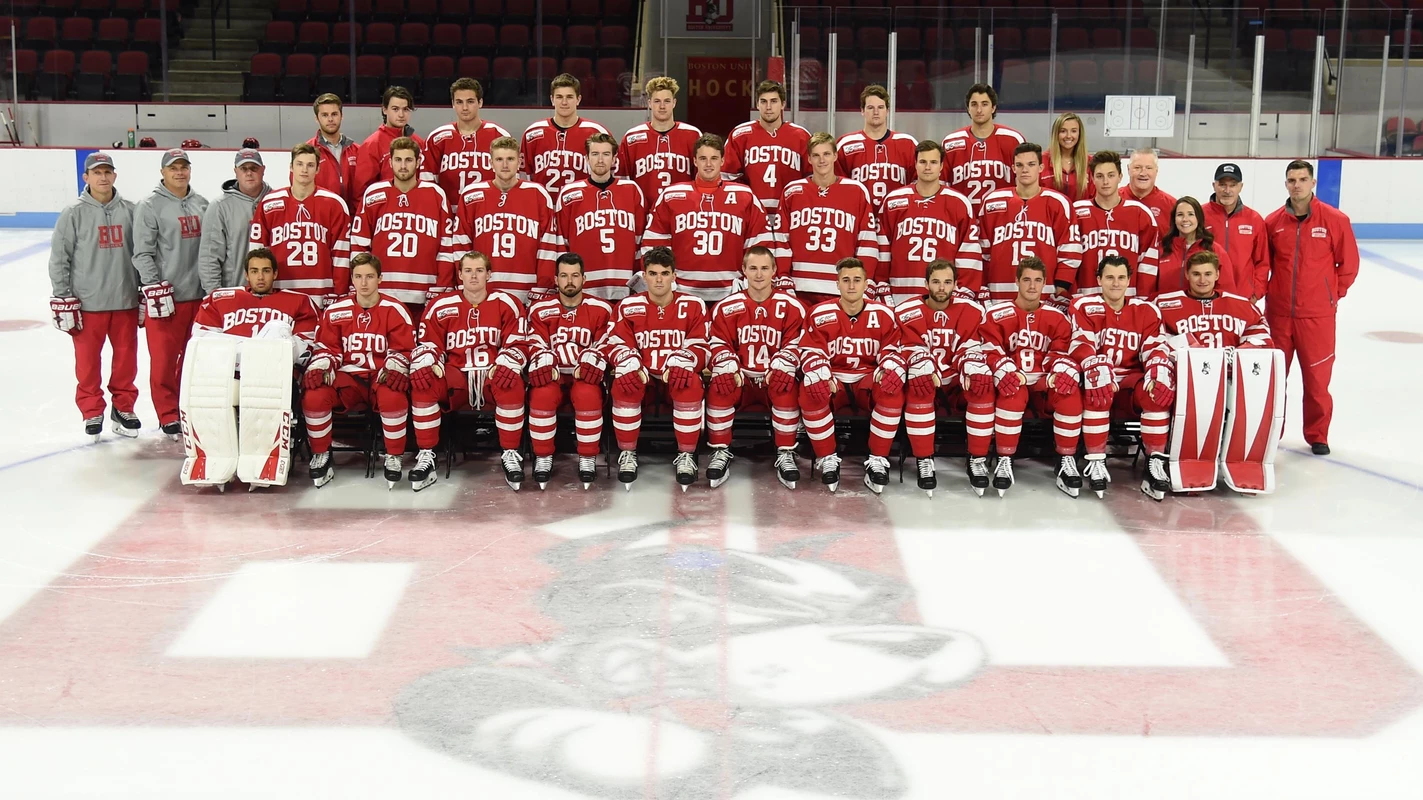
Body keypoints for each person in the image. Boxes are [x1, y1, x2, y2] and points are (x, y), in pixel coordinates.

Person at [182, 248, 319, 489]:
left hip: (271, 374)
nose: (260, 277)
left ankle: (263, 458)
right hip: (229, 372)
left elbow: (303, 350)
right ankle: (214, 458)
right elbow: (202, 343)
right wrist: (246, 349)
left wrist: (253, 349)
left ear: (275, 273)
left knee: (277, 329)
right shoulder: (220, 299)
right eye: (254, 271)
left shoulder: (298, 301)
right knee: (211, 352)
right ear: (246, 274)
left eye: (266, 271)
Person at [408, 251, 529, 491]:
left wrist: (507, 362)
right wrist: (427, 361)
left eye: (479, 270)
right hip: (457, 377)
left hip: (491, 377)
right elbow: (429, 344)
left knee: (511, 381)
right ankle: (426, 456)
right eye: (468, 271)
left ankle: (511, 454)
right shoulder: (440, 305)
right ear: (460, 275)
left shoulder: (508, 303)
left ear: (489, 274)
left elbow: (518, 343)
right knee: (425, 383)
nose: (473, 276)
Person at [1263, 159, 1359, 456]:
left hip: (1317, 317)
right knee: (1275, 378)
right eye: (1292, 180)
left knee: (1317, 380)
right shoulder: (1273, 222)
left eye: (1302, 179)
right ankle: (1270, 432)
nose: (1297, 185)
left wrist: (1330, 297)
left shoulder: (1334, 220)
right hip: (1279, 314)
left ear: (1313, 183)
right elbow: (1264, 263)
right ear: (1286, 184)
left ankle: (1317, 434)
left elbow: (1349, 265)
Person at [301, 252, 415, 489]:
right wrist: (322, 365)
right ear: (351, 279)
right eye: (359, 277)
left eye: (370, 276)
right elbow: (326, 348)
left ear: (380, 279)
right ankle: (321, 453)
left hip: (380, 376)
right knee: (315, 393)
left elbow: (404, 349)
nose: (364, 283)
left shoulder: (395, 309)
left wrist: (395, 366)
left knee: (393, 392)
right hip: (348, 378)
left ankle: (393, 455)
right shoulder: (335, 311)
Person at [48, 152, 141, 440]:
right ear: (86, 177)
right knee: (88, 364)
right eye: (96, 173)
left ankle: (123, 408)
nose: (103, 177)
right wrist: (62, 296)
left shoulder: (131, 210)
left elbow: (143, 253)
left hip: (125, 299)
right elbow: (59, 258)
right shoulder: (73, 213)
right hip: (88, 304)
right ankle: (92, 411)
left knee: (127, 361)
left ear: (114, 175)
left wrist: (144, 290)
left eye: (107, 172)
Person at [601, 247, 710, 489]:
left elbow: (702, 344)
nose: (659, 279)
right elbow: (615, 342)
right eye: (653, 273)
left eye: (664, 273)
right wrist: (628, 360)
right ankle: (628, 453)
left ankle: (686, 454)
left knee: (689, 383)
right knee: (624, 382)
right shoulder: (628, 306)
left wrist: (685, 360)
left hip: (675, 375)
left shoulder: (693, 305)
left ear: (674, 275)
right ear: (645, 276)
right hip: (644, 375)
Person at [796, 257, 905, 494]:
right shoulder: (819, 312)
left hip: (867, 379)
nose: (852, 286)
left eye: (857, 280)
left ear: (867, 283)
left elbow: (893, 348)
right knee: (810, 388)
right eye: (846, 280)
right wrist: (818, 371)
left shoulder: (885, 313)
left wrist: (889, 367)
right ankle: (827, 457)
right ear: (837, 284)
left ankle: (878, 459)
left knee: (891, 388)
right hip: (834, 378)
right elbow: (810, 351)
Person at [1067, 254, 1172, 498]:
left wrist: (1158, 365)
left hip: (1130, 379)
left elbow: (1155, 346)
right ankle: (1096, 460)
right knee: (1098, 383)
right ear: (1099, 280)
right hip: (1100, 377)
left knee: (1158, 389)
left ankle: (1154, 462)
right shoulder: (1084, 305)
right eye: (1110, 277)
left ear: (1129, 281)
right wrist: (1094, 363)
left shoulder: (1146, 310)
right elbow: (1081, 342)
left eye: (1121, 277)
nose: (1116, 283)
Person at [704, 246, 808, 490]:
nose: (759, 274)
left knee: (786, 386)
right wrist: (727, 362)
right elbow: (716, 342)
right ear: (743, 271)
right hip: (742, 378)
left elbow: (800, 343)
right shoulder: (726, 306)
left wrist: (785, 362)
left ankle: (785, 451)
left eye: (764, 268)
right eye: (753, 268)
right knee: (721, 385)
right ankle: (720, 450)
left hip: (773, 378)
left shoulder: (793, 306)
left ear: (774, 270)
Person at [978, 256, 1082, 497]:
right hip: (1011, 381)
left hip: (1045, 382)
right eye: (1026, 280)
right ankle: (1005, 458)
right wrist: (1006, 369)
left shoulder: (1058, 318)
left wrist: (1055, 373)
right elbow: (990, 349)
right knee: (1011, 391)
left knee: (1069, 393)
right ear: (1017, 282)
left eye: (1037, 281)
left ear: (1045, 283)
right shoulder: (996, 314)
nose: (1032, 286)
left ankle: (1066, 461)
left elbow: (1060, 352)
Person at [640, 133, 782, 302]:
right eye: (703, 158)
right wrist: (666, 283)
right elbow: (653, 245)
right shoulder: (672, 195)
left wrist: (748, 283)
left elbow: (761, 245)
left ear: (722, 161)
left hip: (731, 292)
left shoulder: (744, 196)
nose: (708, 164)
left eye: (714, 158)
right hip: (682, 292)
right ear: (694, 161)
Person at [895, 259, 994, 496]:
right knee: (920, 383)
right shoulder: (906, 311)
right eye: (936, 282)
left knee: (982, 385)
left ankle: (977, 458)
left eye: (947, 282)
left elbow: (975, 349)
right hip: (928, 380)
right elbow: (902, 349)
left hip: (958, 380)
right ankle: (924, 459)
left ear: (955, 285)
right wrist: (921, 365)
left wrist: (970, 366)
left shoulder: (972, 311)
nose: (942, 288)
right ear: (926, 283)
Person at [132, 147, 210, 438]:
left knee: (194, 360)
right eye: (173, 168)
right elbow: (142, 253)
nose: (179, 172)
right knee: (164, 361)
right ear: (163, 172)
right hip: (168, 300)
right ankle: (167, 414)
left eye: (184, 167)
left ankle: (187, 407)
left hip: (199, 298)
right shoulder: (149, 206)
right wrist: (154, 286)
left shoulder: (202, 203)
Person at [523, 253, 616, 490]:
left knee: (587, 393)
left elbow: (608, 342)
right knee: (542, 393)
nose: (570, 281)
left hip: (584, 376)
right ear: (556, 279)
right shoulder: (540, 309)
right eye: (564, 276)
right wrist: (543, 359)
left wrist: (594, 358)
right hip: (553, 375)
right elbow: (534, 342)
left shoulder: (601, 309)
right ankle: (543, 457)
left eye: (575, 275)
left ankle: (587, 457)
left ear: (584, 278)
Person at [348, 136, 459, 308]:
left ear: (418, 162)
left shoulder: (436, 194)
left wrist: (440, 287)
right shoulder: (373, 194)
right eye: (398, 160)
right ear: (390, 162)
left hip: (424, 292)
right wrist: (364, 285)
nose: (403, 166)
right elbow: (359, 245)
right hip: (382, 292)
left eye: (408, 160)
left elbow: (446, 247)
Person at [452, 135, 560, 305]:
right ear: (490, 162)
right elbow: (461, 243)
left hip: (527, 291)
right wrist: (465, 285)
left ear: (519, 162)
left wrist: (542, 288)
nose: (505, 165)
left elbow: (548, 245)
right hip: (483, 290)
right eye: (499, 159)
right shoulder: (471, 194)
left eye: (510, 159)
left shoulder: (538, 194)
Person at [778, 132, 882, 304]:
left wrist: (865, 280)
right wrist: (783, 276)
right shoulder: (792, 192)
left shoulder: (856, 191)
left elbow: (867, 241)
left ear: (835, 156)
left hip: (841, 287)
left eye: (826, 154)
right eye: (816, 155)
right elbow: (782, 239)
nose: (822, 160)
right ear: (809, 159)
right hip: (800, 286)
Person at [877, 140, 982, 305]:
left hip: (943, 296)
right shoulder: (893, 201)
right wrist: (882, 284)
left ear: (941, 166)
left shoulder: (959, 203)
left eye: (933, 162)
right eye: (923, 162)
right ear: (915, 164)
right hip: (901, 293)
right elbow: (882, 247)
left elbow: (969, 251)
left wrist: (963, 290)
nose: (927, 167)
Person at [248, 142, 352, 308]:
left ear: (318, 169)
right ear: (291, 167)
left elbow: (341, 255)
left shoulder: (334, 204)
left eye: (310, 165)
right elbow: (256, 254)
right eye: (300, 164)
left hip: (321, 295)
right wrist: (258, 291)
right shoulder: (269, 203)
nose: (305, 170)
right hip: (280, 292)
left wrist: (339, 294)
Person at [977, 142, 1080, 306]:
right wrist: (983, 287)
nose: (1025, 170)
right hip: (999, 291)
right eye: (1019, 165)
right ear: (1013, 168)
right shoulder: (992, 201)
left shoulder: (1059, 203)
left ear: (1041, 167)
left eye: (1031, 164)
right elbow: (982, 250)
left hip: (1044, 294)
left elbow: (1070, 249)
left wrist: (1061, 287)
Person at [552, 132, 647, 302]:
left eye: (606, 154)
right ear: (587, 158)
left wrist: (638, 281)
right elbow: (563, 243)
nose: (600, 160)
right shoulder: (569, 193)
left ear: (614, 159)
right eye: (595, 154)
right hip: (585, 287)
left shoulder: (631, 190)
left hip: (624, 286)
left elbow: (641, 240)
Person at [722, 80, 811, 232]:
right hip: (752, 215)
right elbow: (728, 180)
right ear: (757, 104)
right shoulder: (740, 135)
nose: (768, 107)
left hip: (792, 215)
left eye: (774, 101)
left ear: (783, 104)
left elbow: (811, 180)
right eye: (763, 101)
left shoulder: (801, 136)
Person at [1068, 149, 1159, 299]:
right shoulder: (1076, 212)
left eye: (1111, 175)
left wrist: (1141, 299)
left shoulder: (1141, 214)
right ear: (1092, 178)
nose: (1105, 181)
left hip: (1127, 300)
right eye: (1099, 176)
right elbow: (1069, 257)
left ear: (1120, 177)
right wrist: (1074, 296)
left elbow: (1148, 262)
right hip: (1085, 299)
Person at [940, 83, 1023, 216]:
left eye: (984, 104)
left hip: (1003, 218)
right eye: (974, 104)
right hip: (962, 218)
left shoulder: (1013, 139)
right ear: (968, 108)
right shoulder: (951, 142)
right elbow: (941, 186)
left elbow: (1025, 182)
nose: (979, 110)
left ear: (993, 108)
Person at [520, 73, 611, 194]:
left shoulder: (596, 132)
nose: (564, 102)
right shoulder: (532, 134)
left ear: (578, 100)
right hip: (544, 207)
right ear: (552, 100)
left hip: (582, 207)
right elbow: (522, 176)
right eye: (559, 97)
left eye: (569, 97)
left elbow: (612, 174)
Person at [422, 77, 512, 200]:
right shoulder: (437, 138)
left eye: (470, 101)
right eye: (459, 102)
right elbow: (427, 183)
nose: (464, 108)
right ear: (453, 104)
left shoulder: (499, 135)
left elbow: (511, 179)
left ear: (480, 102)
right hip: (449, 212)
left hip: (488, 213)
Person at [616, 76, 702, 204]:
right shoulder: (632, 138)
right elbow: (622, 182)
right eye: (657, 101)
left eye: (667, 101)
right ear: (649, 103)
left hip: (682, 212)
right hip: (644, 212)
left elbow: (702, 178)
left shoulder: (693, 135)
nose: (662, 106)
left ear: (674, 103)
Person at [199, 148, 272, 293]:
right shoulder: (220, 207)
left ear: (263, 170)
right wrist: (214, 294)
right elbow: (209, 257)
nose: (249, 173)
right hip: (235, 293)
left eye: (254, 168)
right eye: (243, 168)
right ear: (235, 171)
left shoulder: (277, 201)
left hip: (272, 293)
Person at [835, 84, 918, 211]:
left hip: (897, 217)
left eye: (880, 107)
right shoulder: (845, 144)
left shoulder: (908, 143)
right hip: (858, 217)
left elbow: (919, 185)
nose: (876, 112)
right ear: (862, 111)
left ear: (887, 110)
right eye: (870, 107)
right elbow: (837, 187)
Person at [1202, 162, 1270, 301]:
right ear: (1214, 185)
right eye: (1222, 184)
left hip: (1243, 297)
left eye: (1232, 185)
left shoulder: (1254, 219)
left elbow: (1262, 262)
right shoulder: (1200, 215)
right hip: (1207, 296)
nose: (1227, 190)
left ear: (1241, 187)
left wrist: (1256, 293)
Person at [1156, 196, 1238, 297]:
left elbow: (1227, 291)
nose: (1185, 219)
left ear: (1198, 218)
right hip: (1165, 309)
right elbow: (1149, 285)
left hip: (1202, 311)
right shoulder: (1160, 249)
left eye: (1191, 214)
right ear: (1174, 219)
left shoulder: (1215, 250)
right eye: (1180, 215)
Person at [354, 86, 424, 199]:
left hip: (415, 210)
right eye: (395, 109)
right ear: (384, 110)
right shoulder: (372, 144)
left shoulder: (418, 142)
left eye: (406, 109)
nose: (401, 115)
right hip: (384, 211)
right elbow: (362, 191)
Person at [309, 93, 360, 209]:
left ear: (342, 116)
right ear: (317, 118)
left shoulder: (358, 150)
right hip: (321, 219)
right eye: (325, 115)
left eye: (334, 114)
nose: (330, 119)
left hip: (353, 219)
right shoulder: (308, 151)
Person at [1121, 149, 1176, 237]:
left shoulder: (1171, 205)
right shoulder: (1112, 199)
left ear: (1156, 171)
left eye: (1149, 168)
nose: (1143, 173)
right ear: (1128, 169)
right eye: (1137, 168)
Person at [1042, 112, 1091, 201]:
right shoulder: (1041, 161)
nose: (1068, 136)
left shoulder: (1091, 163)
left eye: (1073, 131)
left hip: (1081, 214)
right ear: (1056, 134)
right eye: (1063, 131)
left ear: (1080, 134)